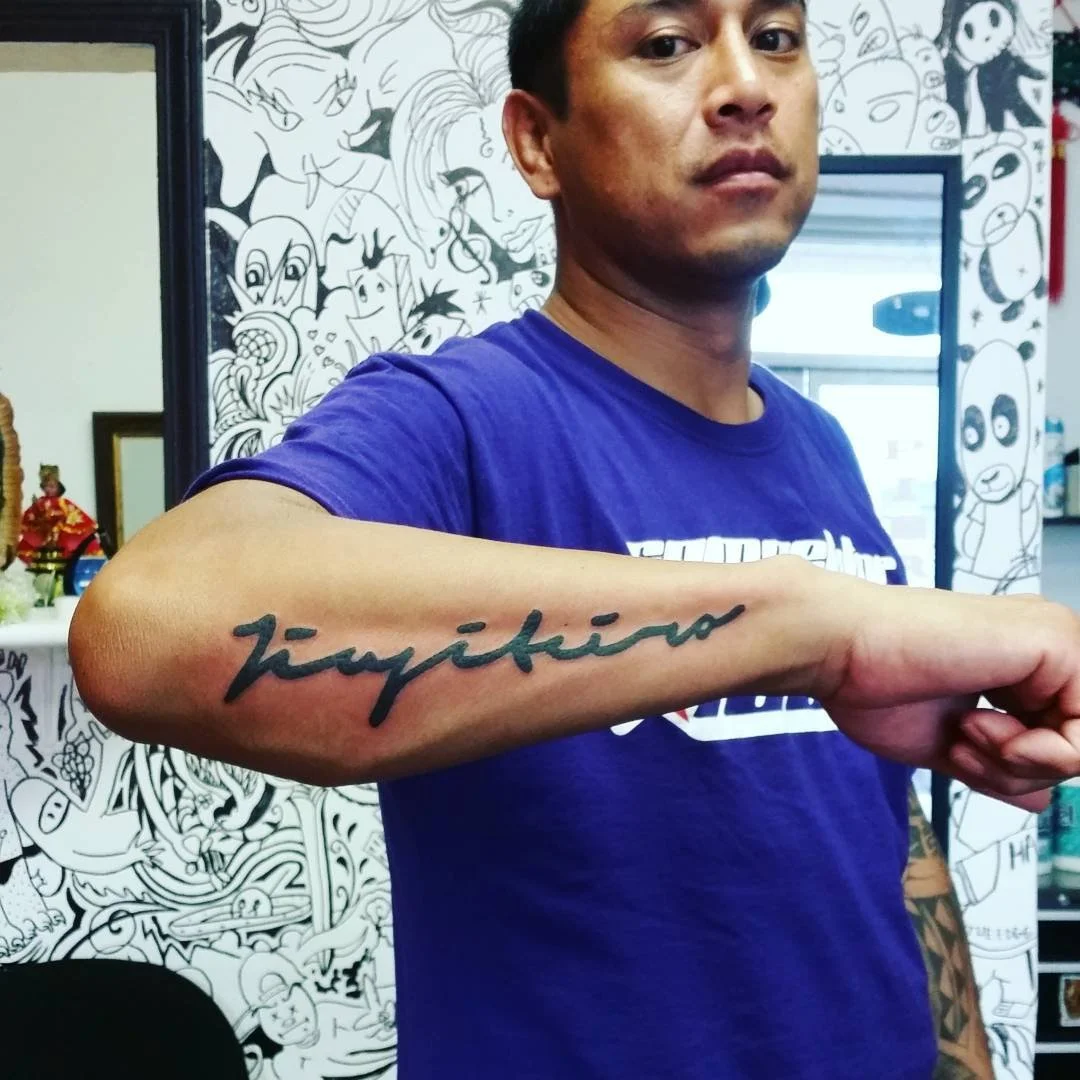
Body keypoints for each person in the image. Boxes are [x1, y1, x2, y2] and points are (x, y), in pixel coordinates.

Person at [69, 0, 1080, 1076]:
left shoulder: (821, 447)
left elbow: (877, 828)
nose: (746, 84)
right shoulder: (459, 414)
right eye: (666, 44)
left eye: (776, 36)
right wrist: (808, 622)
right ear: (535, 141)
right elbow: (150, 629)